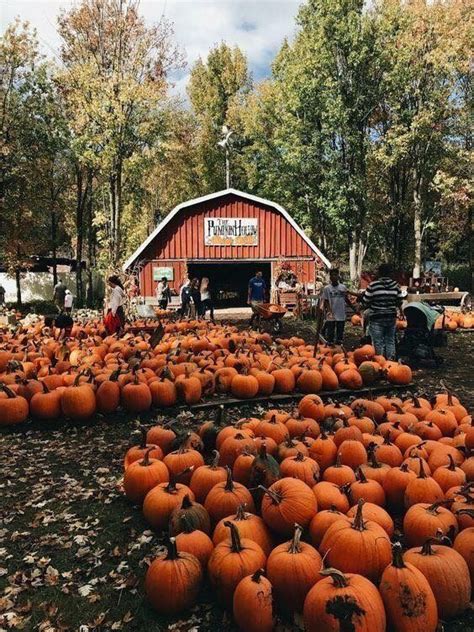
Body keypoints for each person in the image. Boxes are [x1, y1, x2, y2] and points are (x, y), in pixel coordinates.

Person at [361, 263, 403, 359]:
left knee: (378, 341)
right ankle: (391, 362)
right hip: (391, 317)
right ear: (390, 273)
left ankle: (380, 362)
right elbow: (399, 302)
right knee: (390, 340)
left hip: (377, 317)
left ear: (379, 273)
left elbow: (366, 301)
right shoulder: (396, 286)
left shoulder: (373, 285)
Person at [321, 268, 352, 345]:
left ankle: (339, 348)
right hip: (331, 314)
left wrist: (353, 308)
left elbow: (346, 299)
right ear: (330, 277)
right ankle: (330, 348)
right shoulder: (327, 288)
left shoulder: (343, 287)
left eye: (336, 275)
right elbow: (326, 301)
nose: (334, 277)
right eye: (332, 275)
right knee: (330, 333)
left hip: (341, 313)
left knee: (340, 333)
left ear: (338, 276)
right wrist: (329, 311)